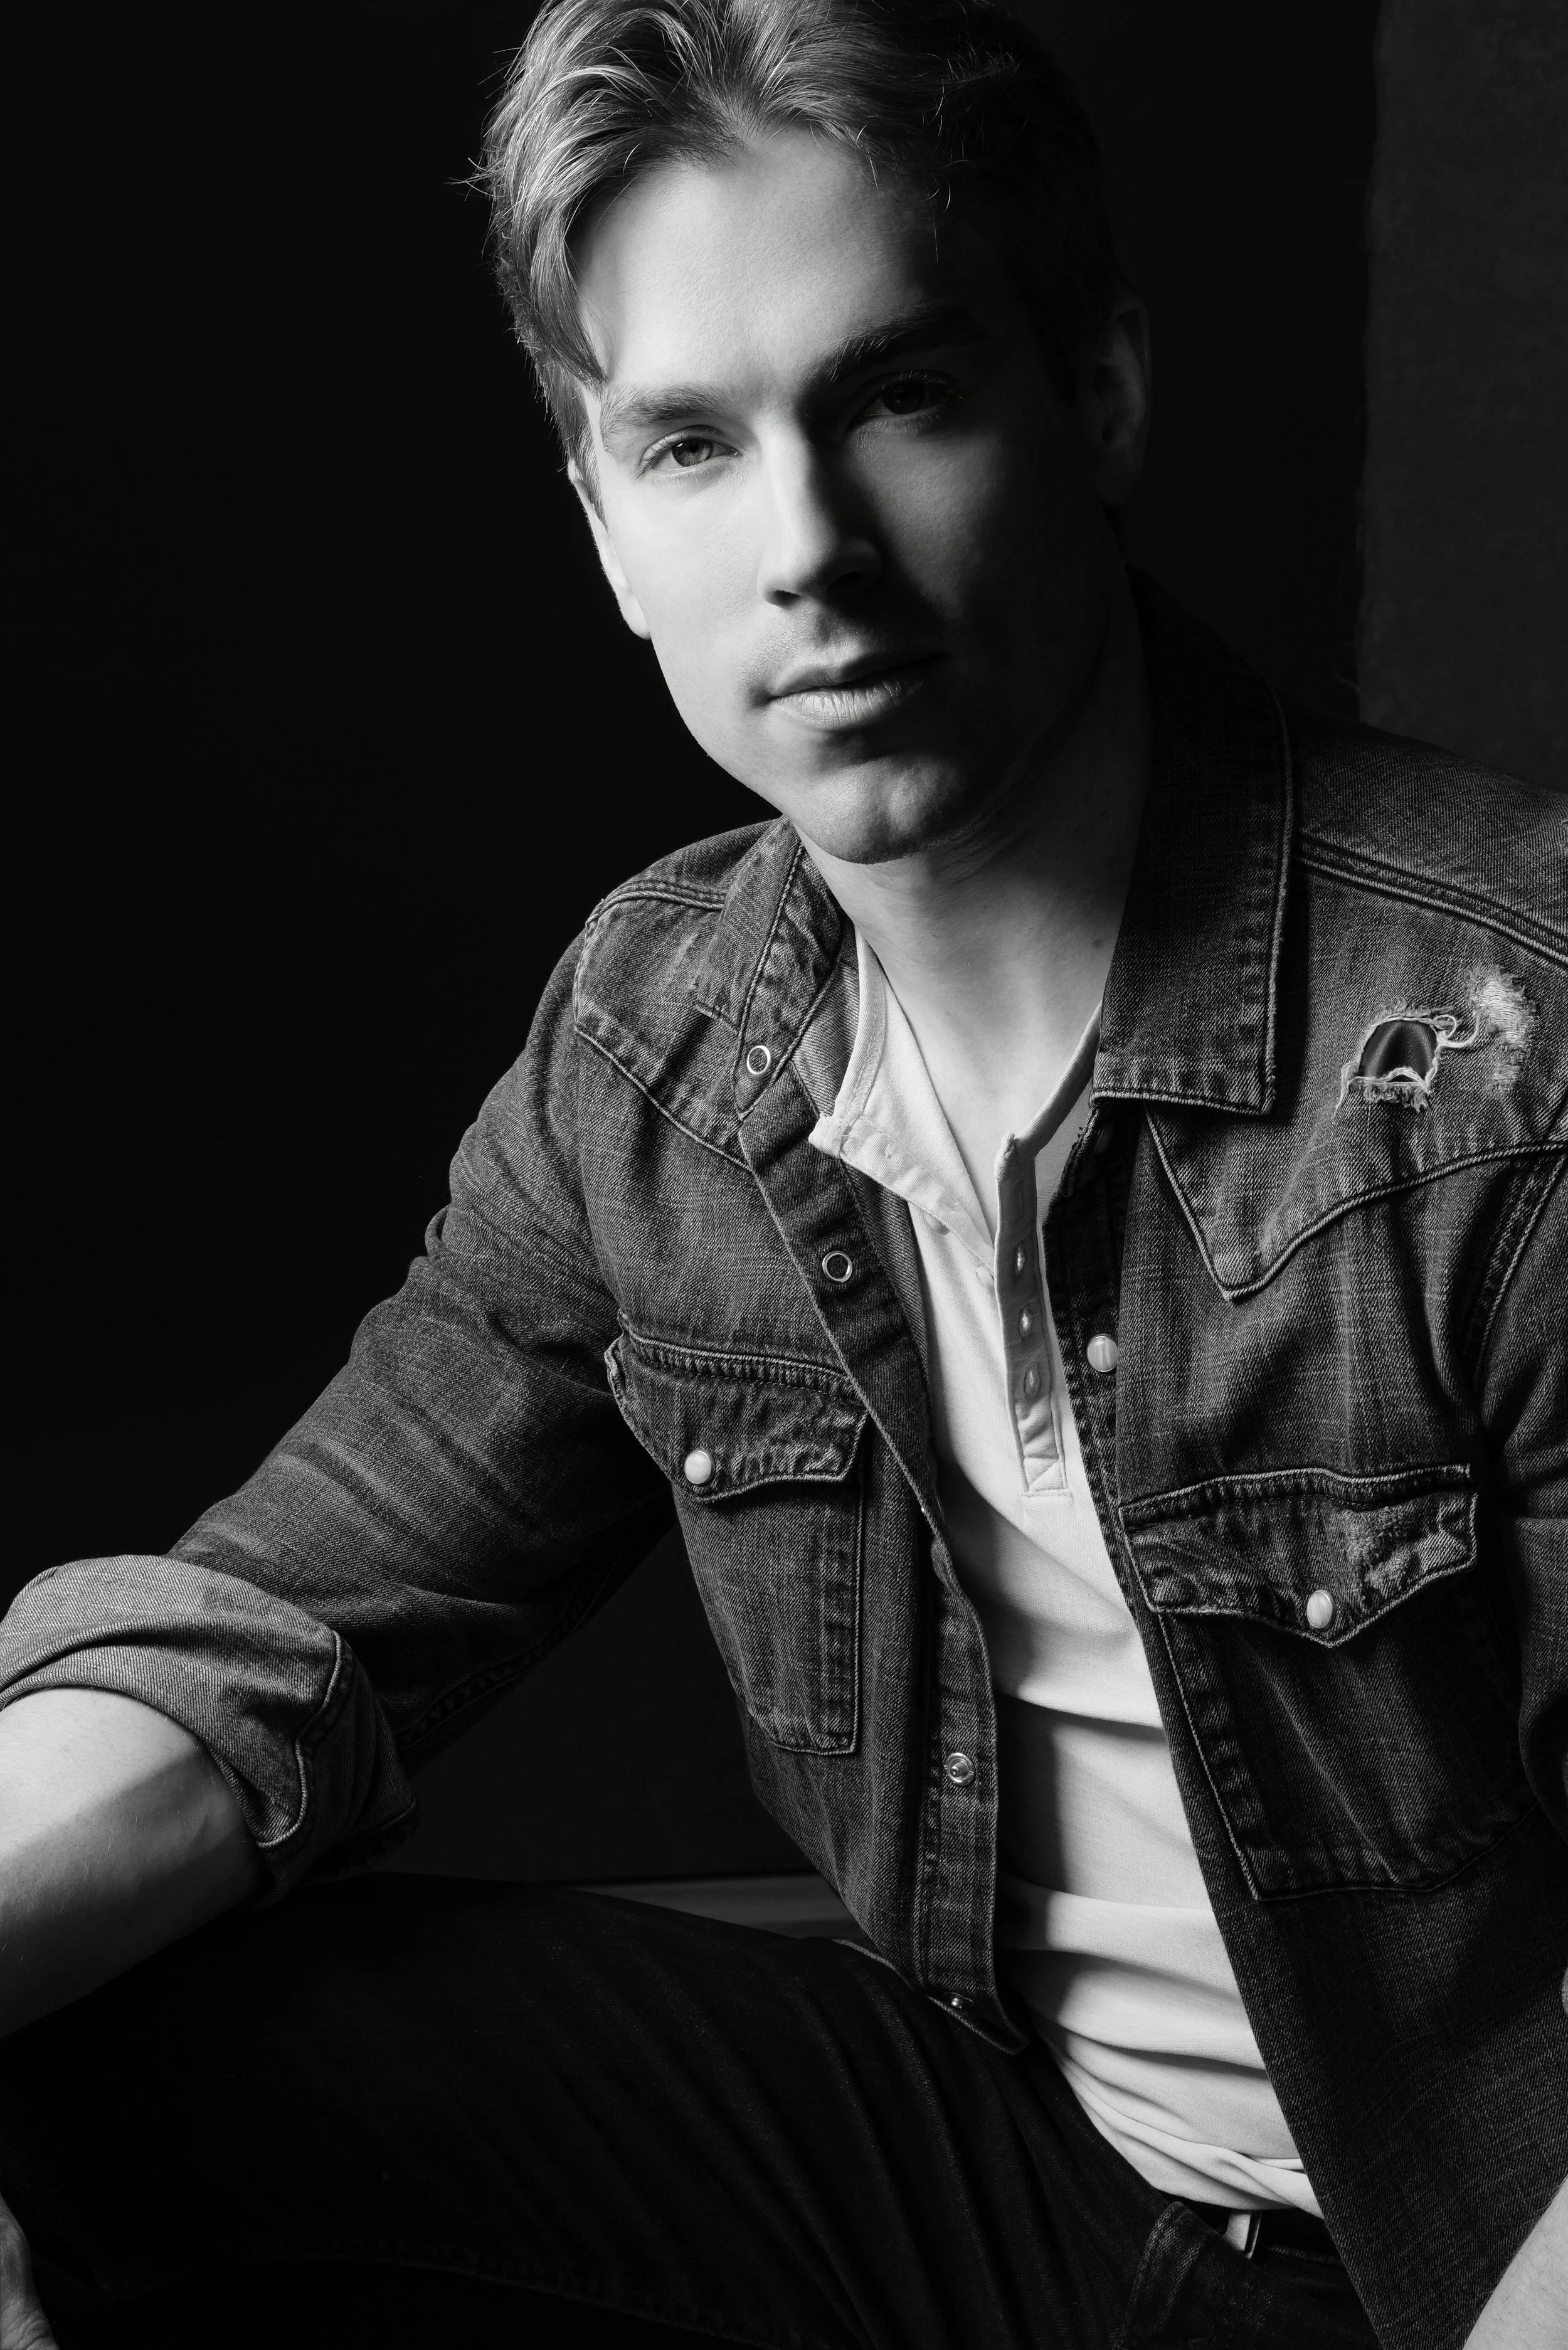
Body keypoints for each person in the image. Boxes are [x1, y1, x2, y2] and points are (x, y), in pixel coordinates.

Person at [1, 1, 1564, 2344]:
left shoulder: (1501, 1055)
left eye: (902, 398)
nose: (810, 548)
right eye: (692, 446)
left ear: (1100, 400)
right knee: (96, 2031)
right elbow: (290, 1626)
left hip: (1455, 2250)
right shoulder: (668, 1039)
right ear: (607, 529)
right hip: (1025, 2184)